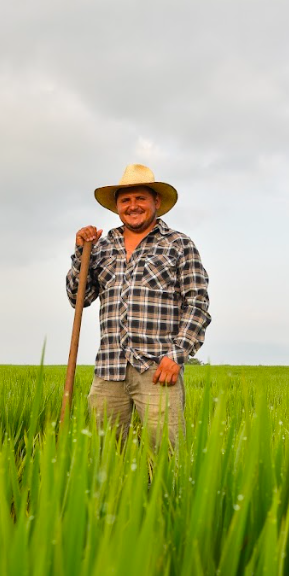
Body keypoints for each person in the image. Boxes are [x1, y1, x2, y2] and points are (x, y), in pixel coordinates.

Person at [66, 163, 211, 452]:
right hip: (109, 368)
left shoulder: (179, 244)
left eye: (140, 198)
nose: (133, 206)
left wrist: (177, 354)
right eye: (125, 200)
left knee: (168, 457)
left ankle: (168, 498)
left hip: (158, 369)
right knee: (101, 456)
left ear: (156, 201)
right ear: (117, 206)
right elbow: (78, 299)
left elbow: (197, 303)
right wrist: (81, 252)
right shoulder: (102, 246)